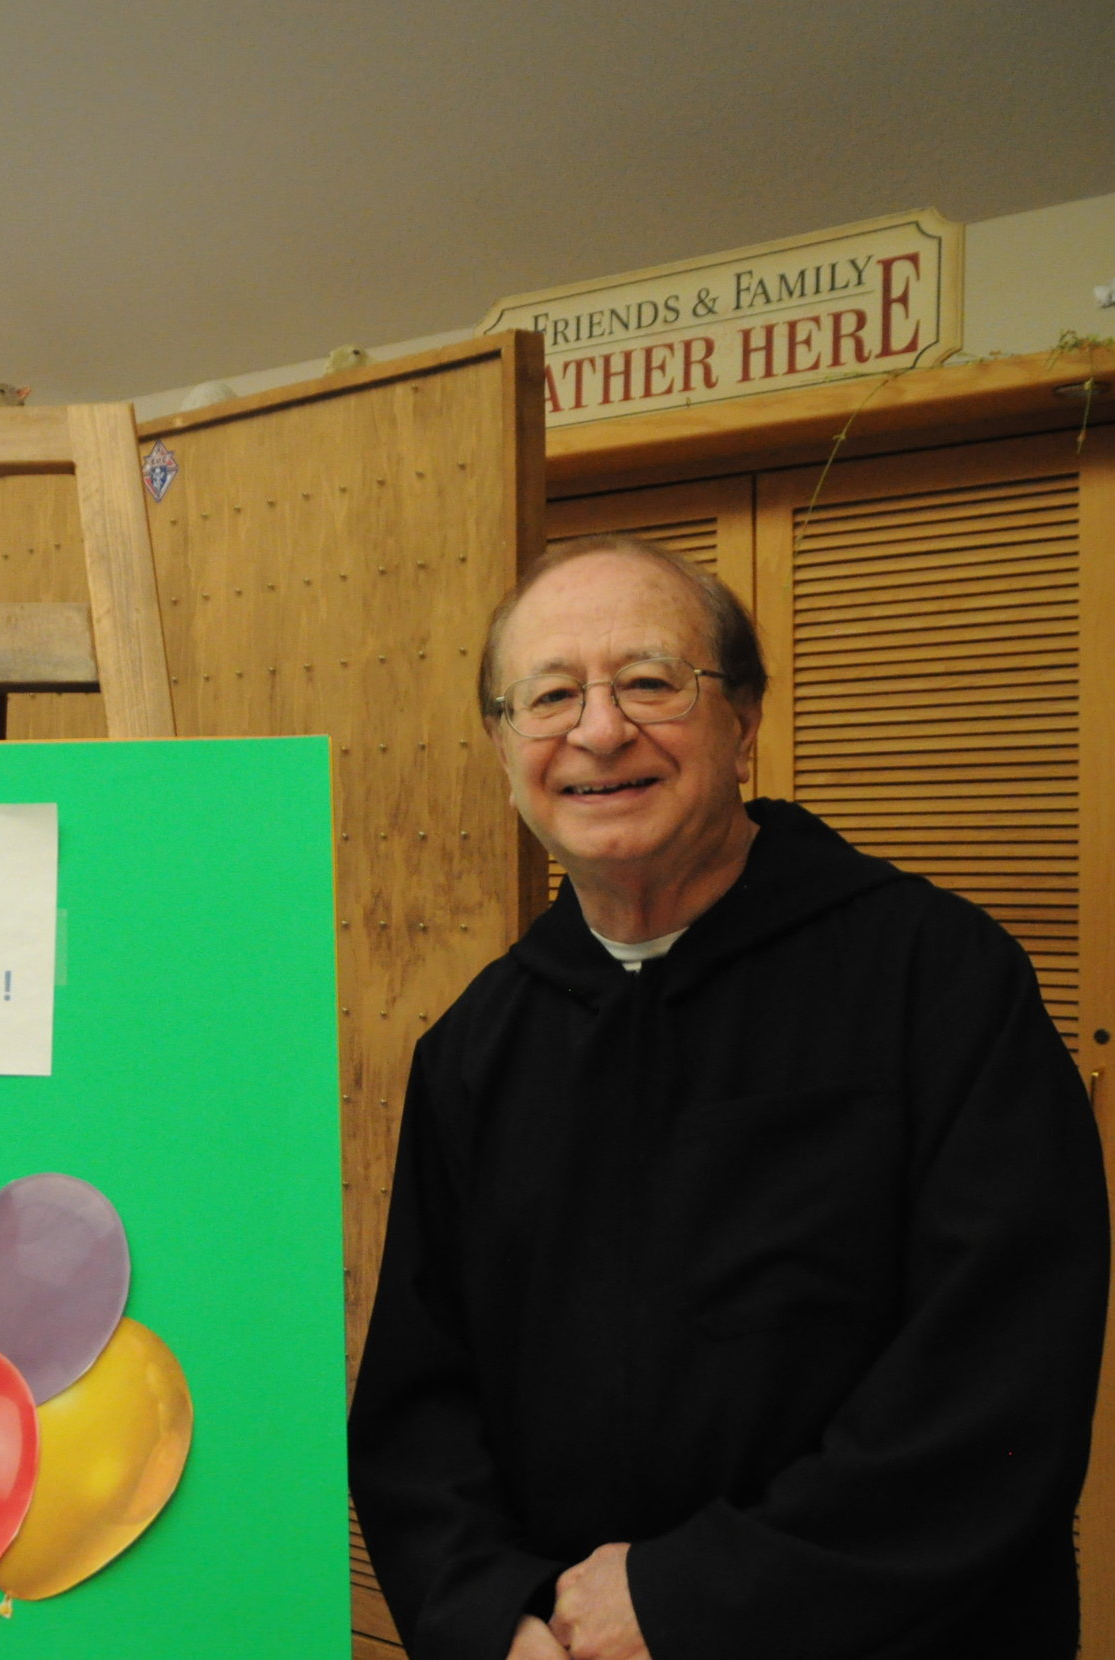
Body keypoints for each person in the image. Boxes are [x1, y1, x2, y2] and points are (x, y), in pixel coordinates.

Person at [348, 534, 1108, 1660]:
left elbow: (995, 1384)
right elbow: (420, 1405)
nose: (600, 731)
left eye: (650, 682)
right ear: (503, 748)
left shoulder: (935, 978)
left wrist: (685, 1597)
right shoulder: (474, 1047)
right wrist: (488, 1617)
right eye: (549, 696)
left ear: (742, 723)